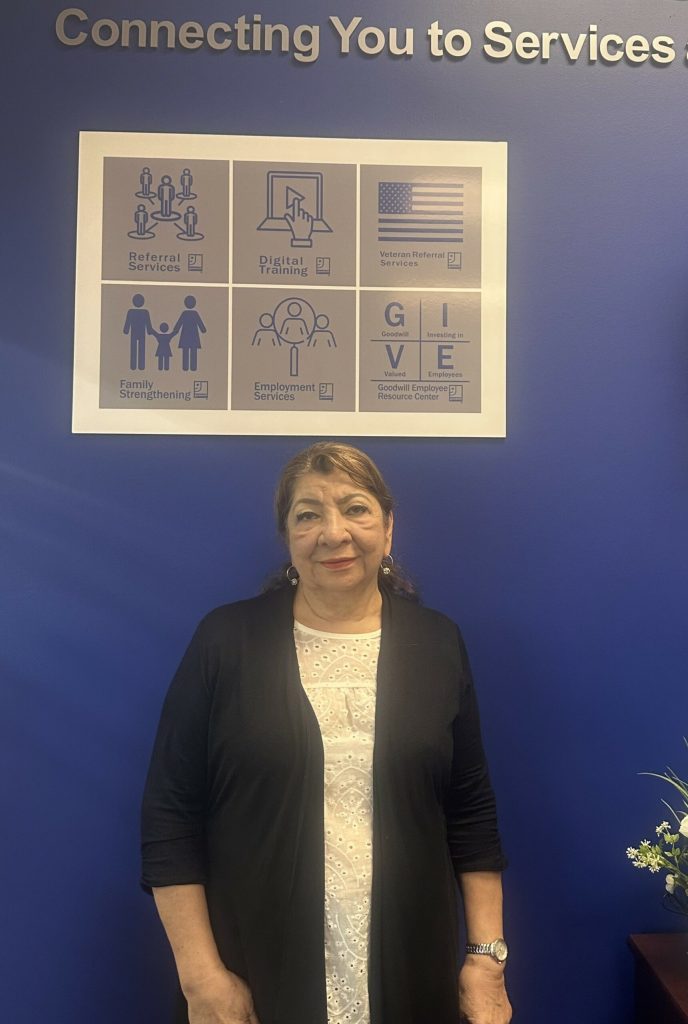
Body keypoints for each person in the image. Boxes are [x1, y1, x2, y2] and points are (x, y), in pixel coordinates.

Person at [141, 442, 511, 1024]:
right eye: (308, 514)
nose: (333, 533)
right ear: (287, 536)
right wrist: (201, 978)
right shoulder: (226, 641)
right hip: (253, 973)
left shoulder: (437, 643)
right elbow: (170, 816)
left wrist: (486, 960)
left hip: (411, 968)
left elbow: (471, 811)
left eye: (355, 509)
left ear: (388, 528)